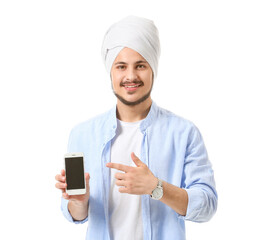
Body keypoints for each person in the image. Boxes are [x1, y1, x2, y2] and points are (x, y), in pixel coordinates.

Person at [55, 15, 218, 240]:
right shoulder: (82, 134)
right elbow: (76, 215)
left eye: (140, 65)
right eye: (121, 66)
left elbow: (208, 205)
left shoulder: (184, 133)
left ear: (153, 70)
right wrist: (79, 201)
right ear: (111, 72)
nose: (130, 76)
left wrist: (156, 187)